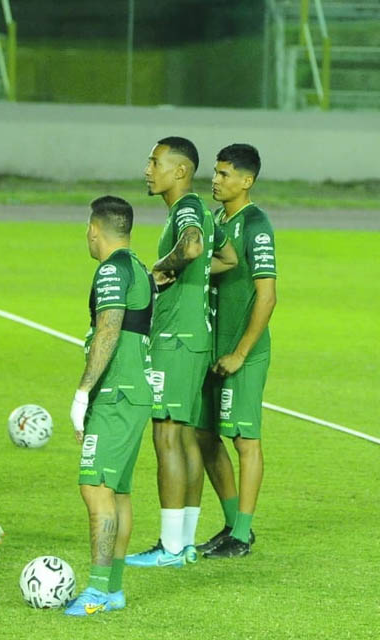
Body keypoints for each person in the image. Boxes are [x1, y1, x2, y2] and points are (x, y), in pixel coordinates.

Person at [125, 137, 234, 567]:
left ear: (181, 171)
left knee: (167, 434)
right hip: (196, 340)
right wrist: (194, 271)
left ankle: (170, 547)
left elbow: (191, 248)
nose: (148, 169)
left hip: (176, 340)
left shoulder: (187, 209)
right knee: (185, 436)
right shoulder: (203, 213)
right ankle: (183, 541)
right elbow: (224, 257)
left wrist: (160, 270)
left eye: (155, 162)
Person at [64, 196, 155, 615]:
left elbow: (108, 330)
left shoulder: (113, 270)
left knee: (95, 488)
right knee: (117, 493)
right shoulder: (137, 266)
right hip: (134, 392)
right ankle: (113, 589)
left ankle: (97, 591)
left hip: (116, 393)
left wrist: (83, 392)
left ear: (94, 228)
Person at [197, 143, 274, 558]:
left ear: (247, 181)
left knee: (245, 441)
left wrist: (242, 353)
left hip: (244, 352)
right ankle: (231, 524)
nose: (216, 179)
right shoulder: (214, 220)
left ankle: (243, 534)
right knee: (206, 437)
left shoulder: (256, 224)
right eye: (215, 172)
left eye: (225, 174)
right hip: (211, 350)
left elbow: (267, 295)